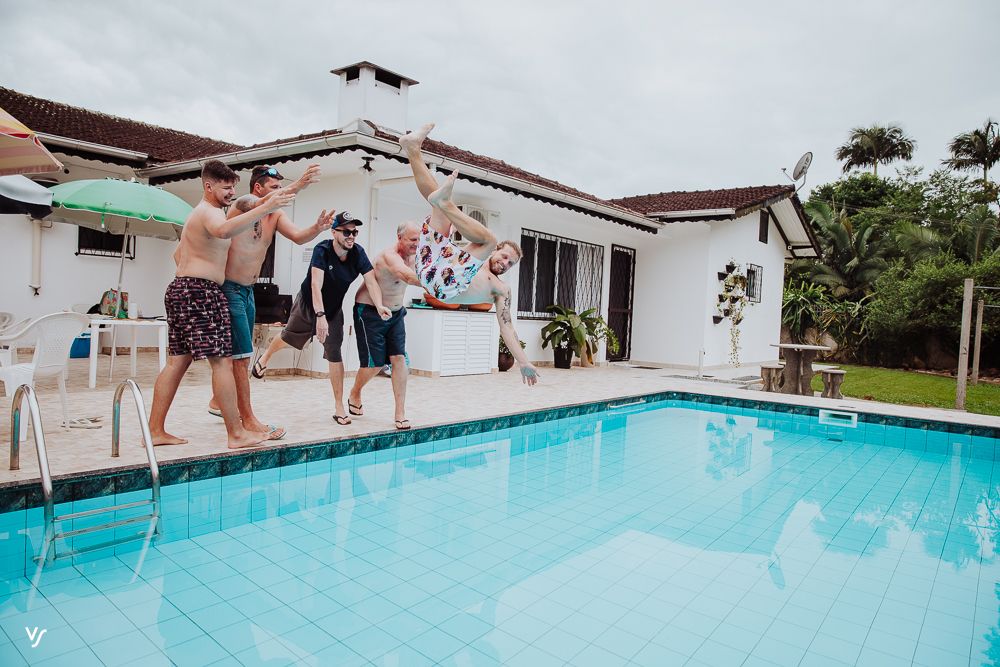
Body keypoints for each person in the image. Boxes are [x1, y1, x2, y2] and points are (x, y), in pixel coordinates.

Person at [148, 160, 294, 448]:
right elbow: (223, 231)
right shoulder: (208, 212)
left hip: (183, 289)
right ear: (209, 186)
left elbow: (178, 254)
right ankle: (236, 434)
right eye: (226, 188)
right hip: (199, 292)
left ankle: (155, 430)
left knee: (178, 361)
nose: (230, 194)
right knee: (223, 362)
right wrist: (265, 207)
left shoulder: (203, 214)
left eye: (232, 188)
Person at [399, 123, 540, 386]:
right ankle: (413, 150)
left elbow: (507, 327)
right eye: (505, 256)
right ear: (497, 254)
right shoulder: (472, 257)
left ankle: (443, 202)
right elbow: (456, 258)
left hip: (444, 286)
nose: (505, 262)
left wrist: (523, 362)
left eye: (510, 262)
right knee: (439, 208)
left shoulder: (500, 289)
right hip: (433, 266)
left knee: (482, 233)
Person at [205, 164, 333, 439]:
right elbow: (256, 203)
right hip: (228, 288)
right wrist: (297, 185)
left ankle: (217, 402)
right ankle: (248, 419)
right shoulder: (242, 205)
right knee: (241, 357)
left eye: (281, 189)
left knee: (238, 352)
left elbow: (299, 237)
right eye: (275, 189)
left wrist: (317, 227)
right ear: (258, 188)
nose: (280, 194)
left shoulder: (275, 215)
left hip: (249, 291)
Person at [254, 212, 391, 424]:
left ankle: (339, 407)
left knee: (335, 353)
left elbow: (371, 282)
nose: (351, 236)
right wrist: (319, 315)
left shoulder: (358, 253)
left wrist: (380, 304)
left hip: (334, 310)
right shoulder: (322, 250)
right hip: (309, 304)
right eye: (347, 231)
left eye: (354, 231)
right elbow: (315, 284)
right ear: (334, 232)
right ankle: (265, 358)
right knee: (289, 338)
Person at [347, 221, 421, 430]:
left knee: (399, 358)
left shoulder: (416, 256)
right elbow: (405, 275)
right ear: (400, 238)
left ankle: (400, 413)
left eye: (419, 240)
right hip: (369, 311)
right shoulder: (389, 256)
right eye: (412, 240)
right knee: (375, 364)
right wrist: (434, 283)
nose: (416, 244)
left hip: (396, 313)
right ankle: (355, 391)